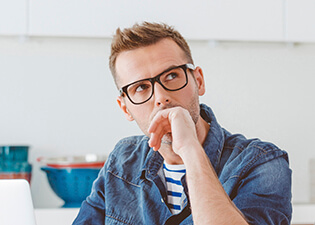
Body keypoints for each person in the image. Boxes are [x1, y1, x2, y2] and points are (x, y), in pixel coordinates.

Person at [73, 22, 292, 225]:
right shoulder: (121, 161)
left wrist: (190, 149)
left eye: (171, 76)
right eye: (141, 87)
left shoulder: (262, 163)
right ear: (125, 108)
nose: (160, 97)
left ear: (198, 81)